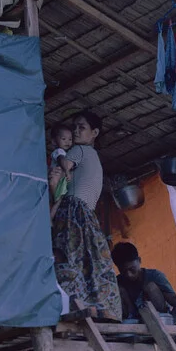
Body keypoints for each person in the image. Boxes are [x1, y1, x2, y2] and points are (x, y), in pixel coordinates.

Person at [49, 111, 121, 321]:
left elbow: (64, 170)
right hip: (87, 215)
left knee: (68, 257)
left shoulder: (79, 150)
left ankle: (69, 306)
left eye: (81, 127)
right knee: (92, 262)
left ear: (94, 133)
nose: (76, 131)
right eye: (74, 127)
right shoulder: (93, 156)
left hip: (73, 211)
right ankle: (102, 307)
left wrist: (59, 157)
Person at [110, 242, 176, 323]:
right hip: (134, 326)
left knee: (151, 287)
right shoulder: (118, 282)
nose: (129, 275)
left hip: (160, 322)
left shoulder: (155, 276)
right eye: (123, 271)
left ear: (139, 261)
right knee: (118, 289)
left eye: (132, 269)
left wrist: (168, 326)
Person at [49, 123, 74, 202]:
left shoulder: (65, 153)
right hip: (55, 179)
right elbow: (61, 159)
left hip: (58, 180)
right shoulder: (59, 151)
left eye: (70, 139)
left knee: (57, 201)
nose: (67, 142)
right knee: (57, 200)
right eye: (64, 139)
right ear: (54, 141)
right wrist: (67, 171)